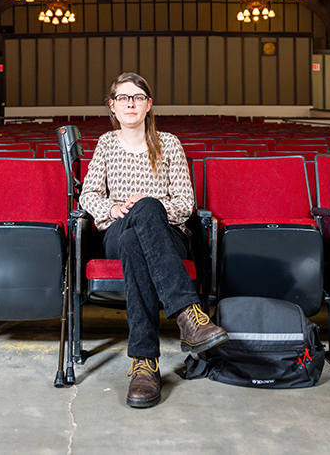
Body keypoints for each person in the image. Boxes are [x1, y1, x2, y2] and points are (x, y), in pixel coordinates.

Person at [78, 72, 228, 408]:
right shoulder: (105, 143)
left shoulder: (170, 143)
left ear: (148, 105)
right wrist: (115, 207)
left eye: (137, 97)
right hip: (116, 228)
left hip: (167, 233)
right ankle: (189, 315)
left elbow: (184, 203)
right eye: (122, 98)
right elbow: (87, 196)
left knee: (139, 232)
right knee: (133, 225)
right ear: (112, 106)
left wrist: (150, 209)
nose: (130, 103)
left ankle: (144, 363)